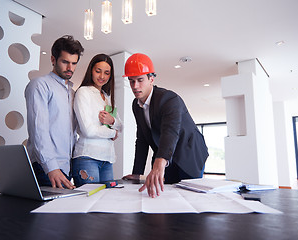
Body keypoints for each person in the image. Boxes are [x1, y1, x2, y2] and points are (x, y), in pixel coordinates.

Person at [122, 53, 209, 198]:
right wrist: (137, 173)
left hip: (188, 153)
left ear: (151, 79)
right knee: (168, 196)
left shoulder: (169, 99)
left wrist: (160, 162)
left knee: (190, 197)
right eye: (131, 81)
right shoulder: (136, 105)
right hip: (167, 155)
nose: (135, 86)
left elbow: (170, 131)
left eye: (140, 80)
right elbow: (142, 138)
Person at [25, 35, 84, 189]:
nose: (70, 68)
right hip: (46, 169)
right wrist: (51, 167)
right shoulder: (40, 85)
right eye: (65, 62)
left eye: (74, 63)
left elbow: (75, 131)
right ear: (53, 59)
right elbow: (38, 129)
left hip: (66, 170)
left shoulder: (72, 92)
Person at [72, 54, 122, 187]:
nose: (102, 76)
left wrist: (112, 121)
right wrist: (113, 133)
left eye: (106, 73)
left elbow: (121, 126)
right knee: (89, 204)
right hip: (87, 157)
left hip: (107, 159)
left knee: (105, 203)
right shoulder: (83, 92)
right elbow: (88, 130)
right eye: (98, 71)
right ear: (91, 71)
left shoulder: (107, 98)